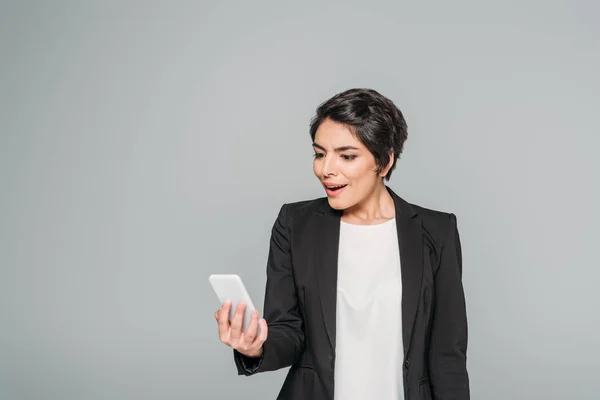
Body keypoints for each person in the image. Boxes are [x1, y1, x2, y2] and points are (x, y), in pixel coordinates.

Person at [214, 88, 470, 400]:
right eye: (320, 153)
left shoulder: (436, 232)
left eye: (346, 156)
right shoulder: (295, 224)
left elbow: (448, 355)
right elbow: (289, 333)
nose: (326, 169)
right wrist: (255, 347)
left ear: (384, 162)